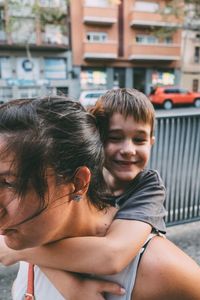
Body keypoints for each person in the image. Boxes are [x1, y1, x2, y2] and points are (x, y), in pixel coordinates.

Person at [0, 95, 199, 300]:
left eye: (9, 182)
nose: (128, 150)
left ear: (78, 183)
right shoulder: (27, 235)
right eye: (114, 138)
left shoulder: (161, 268)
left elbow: (113, 255)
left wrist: (19, 252)